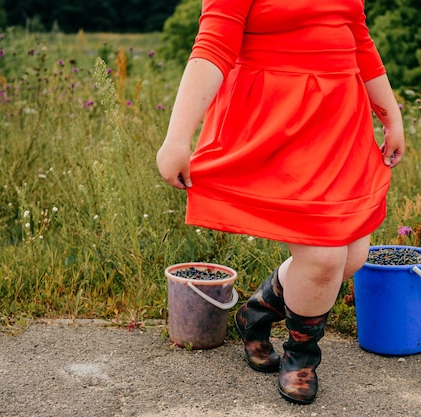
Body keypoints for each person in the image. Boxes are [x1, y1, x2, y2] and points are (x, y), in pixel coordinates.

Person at [156, 0, 405, 405]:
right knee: (324, 258)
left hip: (340, 123)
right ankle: (301, 356)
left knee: (352, 256)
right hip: (279, 120)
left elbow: (358, 39)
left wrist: (391, 115)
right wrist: (178, 136)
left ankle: (255, 312)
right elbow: (213, 46)